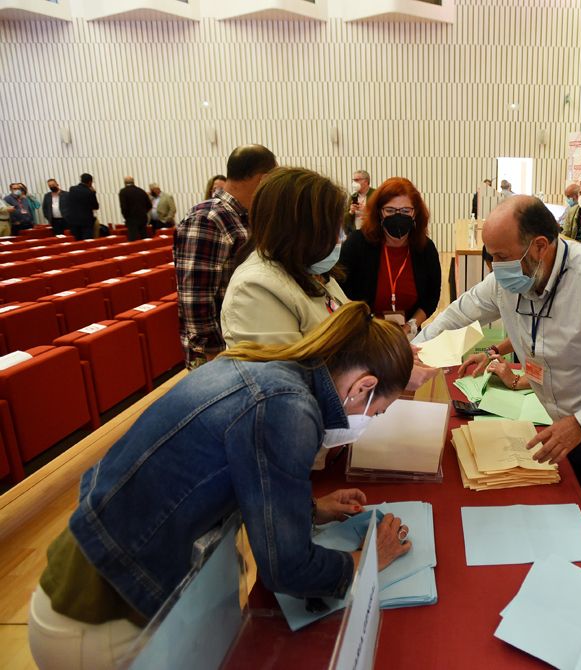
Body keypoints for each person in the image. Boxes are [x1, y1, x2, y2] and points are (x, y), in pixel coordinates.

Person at [28, 302, 415, 670]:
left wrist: (309, 509)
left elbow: (227, 474)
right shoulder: (288, 408)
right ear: (363, 387)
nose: (369, 421)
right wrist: (365, 562)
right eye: (377, 412)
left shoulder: (272, 368)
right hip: (102, 615)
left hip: (91, 576)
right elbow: (288, 568)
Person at [415, 195, 581, 601]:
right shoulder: (510, 279)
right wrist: (408, 353)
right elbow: (458, 314)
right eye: (490, 256)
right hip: (563, 430)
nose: (495, 268)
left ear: (539, 246)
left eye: (501, 256)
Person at [222, 167, 350, 347]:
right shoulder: (254, 289)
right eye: (333, 229)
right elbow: (285, 372)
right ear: (300, 230)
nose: (341, 238)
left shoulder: (310, 268)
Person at [175, 144, 277, 368]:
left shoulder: (244, 216)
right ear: (263, 179)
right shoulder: (208, 218)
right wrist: (213, 352)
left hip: (242, 344)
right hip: (220, 352)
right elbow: (195, 297)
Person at [335, 177, 441, 338]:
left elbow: (431, 297)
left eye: (406, 211)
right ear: (379, 212)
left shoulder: (425, 248)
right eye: (390, 210)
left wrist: (411, 326)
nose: (398, 216)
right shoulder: (357, 244)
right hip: (364, 333)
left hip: (408, 335)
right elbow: (340, 291)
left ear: (415, 213)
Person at [61, 173, 100, 241]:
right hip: (86, 221)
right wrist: (93, 193)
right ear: (90, 182)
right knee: (87, 241)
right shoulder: (90, 192)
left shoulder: (72, 189)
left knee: (77, 241)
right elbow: (95, 206)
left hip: (73, 220)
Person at [118, 176, 152, 241]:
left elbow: (123, 207)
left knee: (133, 238)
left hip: (131, 219)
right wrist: (143, 212)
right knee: (144, 237)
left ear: (124, 183)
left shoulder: (123, 192)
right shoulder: (141, 191)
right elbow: (149, 205)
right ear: (133, 182)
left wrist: (126, 217)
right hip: (143, 218)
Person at [345, 169, 373, 235]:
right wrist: (351, 212)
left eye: (357, 180)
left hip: (371, 233)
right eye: (353, 180)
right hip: (355, 233)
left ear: (366, 181)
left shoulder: (375, 194)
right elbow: (345, 220)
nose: (354, 183)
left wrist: (367, 211)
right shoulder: (353, 197)